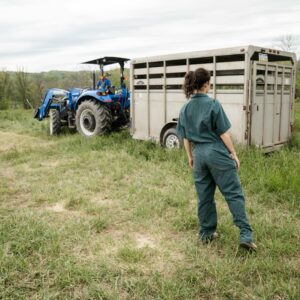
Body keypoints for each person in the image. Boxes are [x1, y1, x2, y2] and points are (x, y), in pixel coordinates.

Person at [176, 68, 257, 251]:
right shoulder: (213, 103)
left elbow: (186, 137)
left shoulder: (185, 108)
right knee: (233, 193)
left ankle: (206, 233)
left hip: (198, 155)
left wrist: (190, 157)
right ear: (205, 84)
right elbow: (223, 134)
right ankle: (245, 235)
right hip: (216, 152)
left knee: (204, 196)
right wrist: (234, 154)